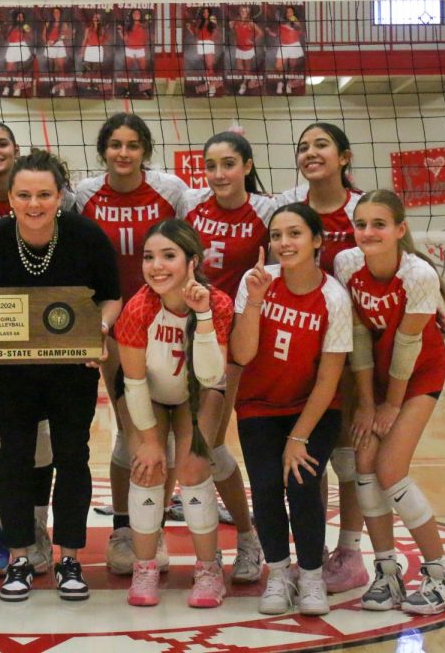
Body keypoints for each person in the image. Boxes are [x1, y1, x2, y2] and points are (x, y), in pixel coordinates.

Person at [0, 149, 121, 602]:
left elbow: (111, 296)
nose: (35, 204)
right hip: (8, 370)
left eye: (44, 194)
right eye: (25, 194)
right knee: (14, 455)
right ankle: (20, 559)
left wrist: (99, 330)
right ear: (9, 196)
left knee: (73, 453)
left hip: (72, 367)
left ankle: (70, 558)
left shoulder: (86, 237)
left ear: (60, 195)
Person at [334, 189, 445, 616]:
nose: (368, 233)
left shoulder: (418, 274)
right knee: (363, 465)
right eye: (361, 224)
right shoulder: (347, 263)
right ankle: (387, 572)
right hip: (379, 376)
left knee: (391, 469)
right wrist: (367, 404)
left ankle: (444, 575)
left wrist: (389, 405)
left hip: (419, 372)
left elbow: (408, 344)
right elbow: (357, 340)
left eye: (379, 225)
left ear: (399, 230)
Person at [0, 122, 72, 577]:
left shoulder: (58, 197)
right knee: (1, 430)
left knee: (44, 433)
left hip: (51, 328)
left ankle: (36, 527)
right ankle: (0, 528)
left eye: (2, 142)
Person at [75, 113, 185, 575]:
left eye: (133, 145)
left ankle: (154, 524)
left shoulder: (171, 191)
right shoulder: (83, 194)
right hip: (112, 319)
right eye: (115, 144)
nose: (124, 153)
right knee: (133, 428)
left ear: (145, 150)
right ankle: (125, 525)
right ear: (103, 150)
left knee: (169, 438)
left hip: (165, 319)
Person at [232, 204, 353, 616]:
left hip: (313, 408)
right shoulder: (257, 282)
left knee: (302, 483)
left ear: (317, 240)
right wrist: (254, 301)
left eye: (295, 233)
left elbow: (328, 379)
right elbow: (243, 354)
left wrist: (298, 437)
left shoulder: (334, 297)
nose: (284, 242)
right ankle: (279, 574)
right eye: (277, 235)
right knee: (265, 486)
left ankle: (312, 576)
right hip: (259, 406)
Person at [116, 219, 233, 609]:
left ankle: (208, 569)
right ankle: (145, 566)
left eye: (169, 256)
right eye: (149, 257)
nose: (156, 266)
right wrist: (149, 441)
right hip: (147, 394)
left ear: (192, 262)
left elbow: (213, 375)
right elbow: (132, 383)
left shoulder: (217, 304)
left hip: (197, 393)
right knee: (146, 467)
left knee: (194, 468)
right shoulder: (137, 309)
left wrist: (200, 317)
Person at [180, 130, 275, 584]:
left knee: (212, 444)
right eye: (212, 165)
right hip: (188, 331)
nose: (219, 174)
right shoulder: (191, 207)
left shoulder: (266, 210)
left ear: (248, 166)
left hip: (235, 336)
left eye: (229, 164)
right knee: (188, 441)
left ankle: (248, 536)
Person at [278, 121, 369, 594]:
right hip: (300, 348)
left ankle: (351, 553)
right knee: (306, 454)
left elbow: (399, 258)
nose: (311, 152)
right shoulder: (290, 207)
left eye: (322, 145)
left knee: (348, 456)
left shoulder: (362, 210)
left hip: (355, 349)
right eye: (303, 147)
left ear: (344, 157)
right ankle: (311, 553)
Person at [268, 6, 305, 95]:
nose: (289, 13)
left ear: (293, 13)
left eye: (291, 12)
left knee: (292, 67)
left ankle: (288, 84)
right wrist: (269, 32)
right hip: (283, 46)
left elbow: (299, 27)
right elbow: (276, 35)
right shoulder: (281, 24)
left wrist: (292, 20)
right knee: (278, 67)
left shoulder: (296, 22)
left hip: (294, 46)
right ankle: (280, 83)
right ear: (285, 14)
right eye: (287, 12)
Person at [118, 8, 152, 97]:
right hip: (129, 50)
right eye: (135, 13)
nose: (136, 14)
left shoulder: (144, 26)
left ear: (140, 16)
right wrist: (120, 32)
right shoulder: (127, 26)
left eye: (138, 13)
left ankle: (145, 90)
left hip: (140, 50)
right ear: (132, 16)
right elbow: (125, 39)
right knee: (127, 71)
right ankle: (126, 90)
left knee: (143, 72)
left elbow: (147, 39)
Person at [40, 8, 74, 97]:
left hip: (58, 44)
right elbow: (43, 35)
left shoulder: (63, 24)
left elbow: (66, 35)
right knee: (50, 68)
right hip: (49, 45)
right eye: (54, 12)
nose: (56, 13)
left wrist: (60, 38)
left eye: (57, 12)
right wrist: (47, 41)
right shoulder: (48, 23)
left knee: (61, 68)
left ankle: (62, 88)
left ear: (60, 13)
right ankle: (52, 88)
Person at [0, 10, 33, 97]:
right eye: (19, 16)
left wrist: (26, 31)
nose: (20, 18)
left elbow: (30, 36)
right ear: (16, 18)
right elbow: (6, 37)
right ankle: (6, 88)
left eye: (22, 17)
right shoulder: (10, 26)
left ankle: (17, 88)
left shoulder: (25, 26)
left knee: (20, 70)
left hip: (21, 47)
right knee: (9, 70)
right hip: (12, 47)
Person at [228, 5, 260, 95]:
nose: (243, 12)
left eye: (245, 11)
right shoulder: (236, 22)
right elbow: (236, 33)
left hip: (247, 49)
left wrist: (252, 40)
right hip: (239, 48)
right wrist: (231, 27)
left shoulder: (250, 23)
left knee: (247, 68)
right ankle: (249, 77)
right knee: (239, 68)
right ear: (240, 11)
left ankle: (244, 84)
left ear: (248, 13)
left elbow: (260, 33)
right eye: (242, 11)